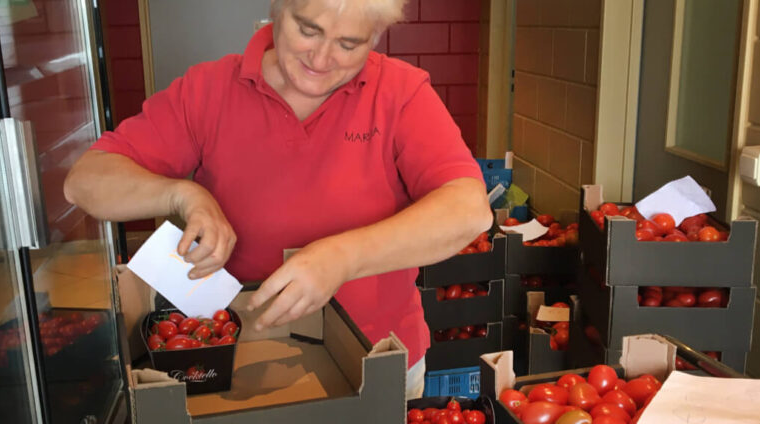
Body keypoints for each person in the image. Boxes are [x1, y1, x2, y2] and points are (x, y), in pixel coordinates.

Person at [64, 0, 491, 399]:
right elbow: (86, 180)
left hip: (377, 360)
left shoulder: (400, 93)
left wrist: (341, 258)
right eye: (308, 30)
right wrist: (183, 194)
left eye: (348, 44)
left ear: (376, 36)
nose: (321, 60)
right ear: (277, 10)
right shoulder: (208, 90)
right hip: (241, 363)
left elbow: (468, 208)